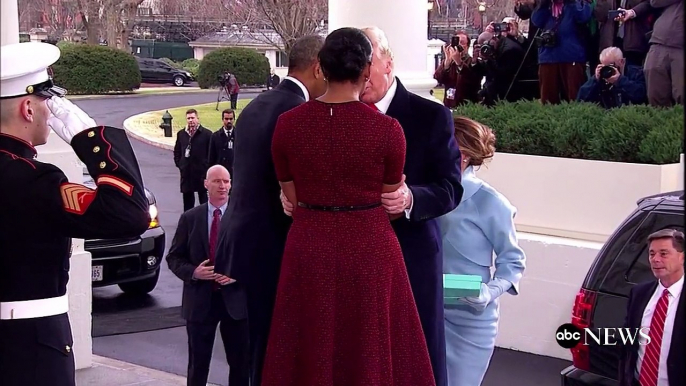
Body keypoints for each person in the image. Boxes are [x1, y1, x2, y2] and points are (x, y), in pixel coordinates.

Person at [281, 26, 463, 386]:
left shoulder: (430, 117)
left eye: (367, 61)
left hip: (409, 261)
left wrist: (411, 199)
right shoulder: (309, 120)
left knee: (410, 366)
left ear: (386, 65)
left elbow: (450, 187)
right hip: (331, 270)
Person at [0, 42, 150, 386]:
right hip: (29, 348)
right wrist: (91, 141)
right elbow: (130, 214)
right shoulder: (34, 181)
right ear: (27, 108)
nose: (50, 114)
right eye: (46, 103)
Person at [213, 34, 327, 386]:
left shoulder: (257, 104)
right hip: (273, 246)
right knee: (274, 353)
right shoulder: (298, 112)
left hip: (243, 243)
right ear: (318, 68)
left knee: (255, 349)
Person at [437, 117, 526, 386]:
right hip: (425, 305)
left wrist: (489, 292)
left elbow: (513, 261)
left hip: (469, 318)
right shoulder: (428, 191)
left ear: (461, 156)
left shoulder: (491, 202)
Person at [166, 165, 249, 386]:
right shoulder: (190, 218)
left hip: (235, 304)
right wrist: (194, 272)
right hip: (200, 303)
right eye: (217, 181)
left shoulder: (242, 217)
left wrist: (238, 275)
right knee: (198, 365)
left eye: (227, 181)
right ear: (206, 184)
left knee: (241, 365)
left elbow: (257, 257)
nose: (223, 186)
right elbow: (173, 258)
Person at [618, 228, 684, 386]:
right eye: (652, 253)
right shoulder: (639, 293)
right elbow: (627, 345)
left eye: (663, 253)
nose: (655, 259)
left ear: (682, 256)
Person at [531, 0, 593, 104]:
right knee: (548, 100)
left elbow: (583, 17)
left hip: (572, 56)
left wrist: (572, 2)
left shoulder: (579, 3)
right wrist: (543, 4)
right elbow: (536, 21)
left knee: (575, 98)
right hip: (548, 56)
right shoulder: (547, 6)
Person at [641, 0, 683, 107]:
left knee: (681, 94)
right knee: (655, 94)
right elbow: (654, 2)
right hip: (659, 42)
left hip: (680, 48)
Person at [577, 46, 647, 108]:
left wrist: (620, 80)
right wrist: (595, 80)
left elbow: (641, 95)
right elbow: (581, 99)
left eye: (611, 66)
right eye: (604, 66)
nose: (608, 70)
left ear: (622, 62)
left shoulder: (636, 73)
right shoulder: (601, 77)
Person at [173, 108, 212, 211]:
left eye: (192, 118)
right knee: (188, 203)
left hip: (201, 173)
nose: (191, 120)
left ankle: (204, 222)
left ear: (197, 118)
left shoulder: (207, 134)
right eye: (188, 118)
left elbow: (211, 153)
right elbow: (177, 151)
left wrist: (206, 167)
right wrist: (180, 164)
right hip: (187, 173)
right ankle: (188, 223)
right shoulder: (181, 134)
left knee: (203, 202)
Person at [433, 31, 483, 107]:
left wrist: (459, 62)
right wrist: (447, 63)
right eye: (456, 41)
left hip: (466, 105)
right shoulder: (449, 62)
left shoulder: (473, 62)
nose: (458, 45)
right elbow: (438, 78)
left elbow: (471, 80)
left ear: (467, 46)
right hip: (449, 103)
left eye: (462, 42)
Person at [208, 109, 235, 176]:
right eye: (226, 119)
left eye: (231, 119)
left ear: (234, 119)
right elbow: (211, 157)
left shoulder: (239, 135)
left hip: (235, 173)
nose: (229, 121)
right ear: (222, 119)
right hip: (221, 173)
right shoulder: (215, 136)